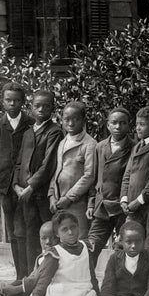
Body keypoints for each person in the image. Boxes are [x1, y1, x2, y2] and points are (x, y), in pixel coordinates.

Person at [16, 210, 104, 296]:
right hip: (61, 293)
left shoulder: (87, 248)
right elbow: (43, 281)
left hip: (84, 293)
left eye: (73, 227)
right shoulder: (55, 253)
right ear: (57, 234)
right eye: (64, 229)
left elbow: (92, 277)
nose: (70, 232)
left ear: (78, 227)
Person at [13, 90, 62, 268]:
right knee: (30, 234)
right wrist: (16, 186)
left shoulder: (54, 132)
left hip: (40, 194)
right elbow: (19, 163)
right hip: (25, 194)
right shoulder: (27, 133)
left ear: (53, 108)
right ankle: (30, 276)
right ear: (31, 108)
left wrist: (31, 187)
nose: (41, 109)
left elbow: (48, 165)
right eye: (37, 106)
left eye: (46, 106)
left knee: (49, 234)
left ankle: (50, 273)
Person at [0, 84, 32, 279]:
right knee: (13, 231)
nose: (12, 104)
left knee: (26, 229)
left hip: (25, 184)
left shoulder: (30, 123)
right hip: (6, 186)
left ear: (23, 102)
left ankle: (29, 273)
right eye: (8, 100)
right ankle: (19, 274)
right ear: (3, 102)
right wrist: (0, 177)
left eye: (16, 100)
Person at [87, 107, 132, 267]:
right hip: (102, 205)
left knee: (123, 249)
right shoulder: (100, 147)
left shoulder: (133, 147)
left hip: (122, 206)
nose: (118, 127)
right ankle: (89, 285)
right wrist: (91, 202)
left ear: (128, 125)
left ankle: (123, 287)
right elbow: (94, 178)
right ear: (108, 125)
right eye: (114, 123)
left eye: (122, 123)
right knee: (92, 247)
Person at [48, 101, 97, 239]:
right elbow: (56, 172)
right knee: (62, 242)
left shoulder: (89, 144)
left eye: (75, 119)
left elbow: (89, 176)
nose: (70, 123)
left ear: (84, 120)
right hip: (59, 202)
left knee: (78, 240)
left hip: (77, 203)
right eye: (66, 119)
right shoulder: (62, 142)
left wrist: (69, 197)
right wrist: (52, 196)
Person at [120, 106, 149, 253]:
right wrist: (124, 199)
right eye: (137, 124)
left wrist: (138, 201)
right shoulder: (137, 146)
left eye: (142, 125)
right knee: (126, 245)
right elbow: (127, 175)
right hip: (132, 207)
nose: (137, 128)